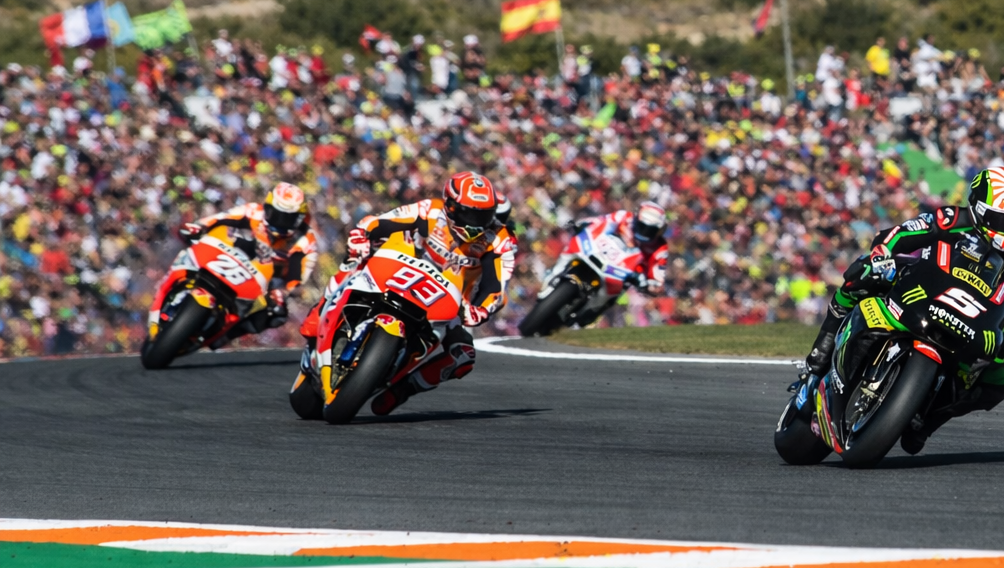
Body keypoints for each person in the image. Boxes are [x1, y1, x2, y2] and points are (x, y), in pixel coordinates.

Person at [801, 166, 1004, 454]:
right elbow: (899, 234)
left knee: (994, 386)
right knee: (864, 272)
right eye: (1000, 219)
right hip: (922, 281)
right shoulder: (951, 218)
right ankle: (822, 348)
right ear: (980, 211)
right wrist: (882, 252)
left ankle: (927, 420)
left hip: (977, 313)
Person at [301, 172, 517, 416]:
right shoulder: (431, 210)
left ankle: (402, 390)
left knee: (463, 356)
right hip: (398, 269)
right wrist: (363, 234)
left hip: (447, 300)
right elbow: (383, 221)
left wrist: (480, 309)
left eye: (484, 215)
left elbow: (495, 286)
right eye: (469, 214)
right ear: (450, 205)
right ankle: (320, 311)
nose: (475, 223)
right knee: (354, 262)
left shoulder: (500, 240)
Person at [176, 183, 319, 348]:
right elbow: (219, 218)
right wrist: (199, 227)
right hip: (231, 257)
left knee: (277, 314)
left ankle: (227, 335)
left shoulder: (306, 241)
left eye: (288, 218)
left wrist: (283, 292)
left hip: (266, 280)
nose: (280, 222)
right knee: (194, 246)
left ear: (299, 219)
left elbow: (298, 277)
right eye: (275, 214)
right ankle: (179, 284)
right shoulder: (253, 211)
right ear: (267, 207)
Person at [547, 202, 669, 326]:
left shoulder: (660, 248)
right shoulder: (624, 217)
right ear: (637, 218)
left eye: (651, 230)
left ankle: (585, 316)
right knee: (573, 247)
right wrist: (583, 223)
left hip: (624, 272)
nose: (645, 232)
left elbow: (658, 275)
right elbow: (601, 221)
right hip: (601, 251)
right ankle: (553, 274)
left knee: (609, 296)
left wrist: (651, 285)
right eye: (643, 226)